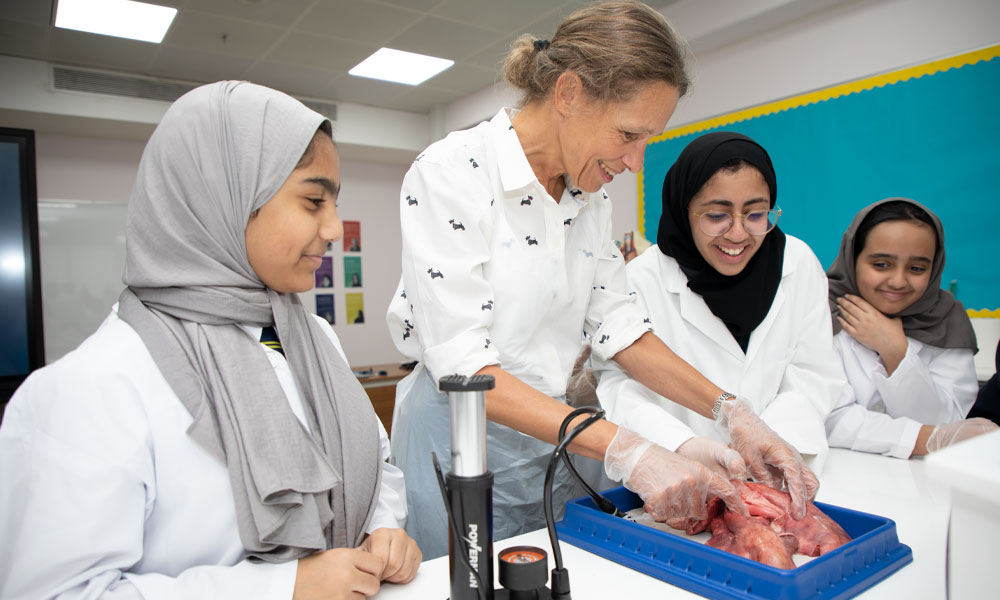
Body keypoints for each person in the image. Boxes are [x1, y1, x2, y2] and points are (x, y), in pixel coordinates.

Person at [386, 1, 816, 559]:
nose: (636, 162)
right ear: (568, 93)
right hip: (460, 440)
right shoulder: (452, 173)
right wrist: (630, 449)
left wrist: (731, 411)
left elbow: (620, 327)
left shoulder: (589, 198)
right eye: (628, 134)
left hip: (558, 434)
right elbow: (465, 366)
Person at [0, 81, 420, 599]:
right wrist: (280, 588)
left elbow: (373, 466)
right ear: (223, 197)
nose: (334, 229)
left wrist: (383, 530)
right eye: (313, 201)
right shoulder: (89, 388)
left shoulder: (312, 339)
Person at [594, 132, 844, 476]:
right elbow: (619, 387)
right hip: (679, 475)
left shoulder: (797, 263)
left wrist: (767, 446)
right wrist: (683, 446)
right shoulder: (640, 280)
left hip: (778, 472)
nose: (738, 234)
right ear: (684, 211)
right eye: (716, 216)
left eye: (756, 214)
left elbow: (814, 375)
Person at [825, 198, 998, 457]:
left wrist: (895, 351)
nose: (898, 281)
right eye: (881, 264)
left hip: (924, 484)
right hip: (837, 477)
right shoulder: (820, 311)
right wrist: (923, 439)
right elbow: (827, 417)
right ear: (853, 257)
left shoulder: (946, 320)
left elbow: (950, 423)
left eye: (916, 268)